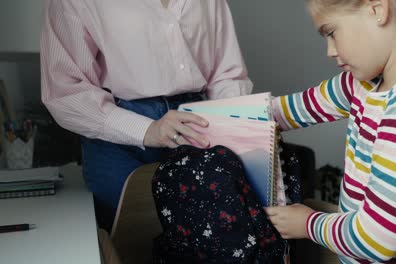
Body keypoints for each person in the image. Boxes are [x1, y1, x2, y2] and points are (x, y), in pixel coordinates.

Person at [265, 0, 396, 263]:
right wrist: (216, 114)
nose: (330, 50)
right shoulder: (364, 83)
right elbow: (289, 110)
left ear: (377, 9)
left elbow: (377, 239)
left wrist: (309, 224)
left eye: (331, 32)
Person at [40, 0, 253, 232]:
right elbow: (65, 90)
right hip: (118, 137)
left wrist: (236, 122)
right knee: (131, 244)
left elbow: (226, 73)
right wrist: (146, 130)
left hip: (198, 126)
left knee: (213, 238)